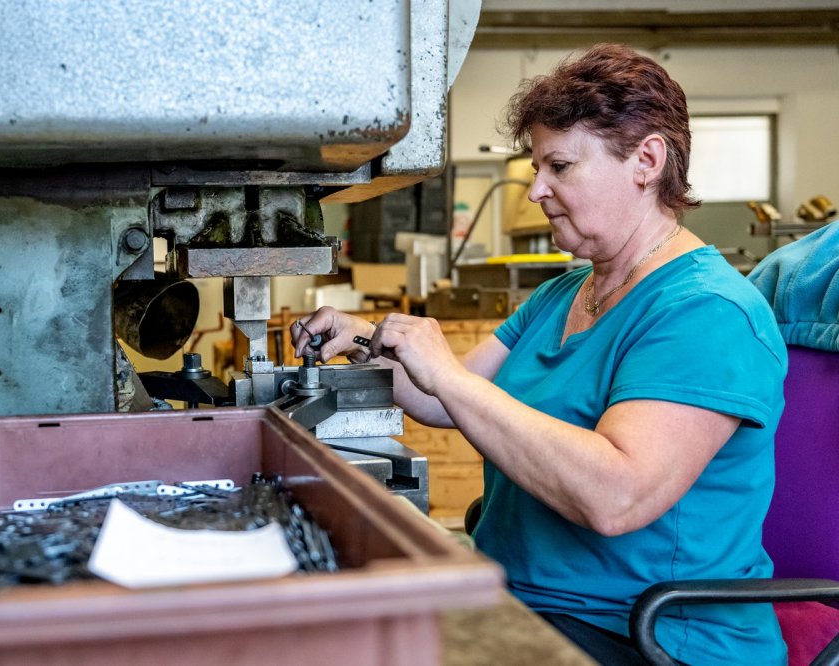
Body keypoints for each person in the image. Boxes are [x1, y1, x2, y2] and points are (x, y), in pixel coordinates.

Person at [292, 43, 787, 665]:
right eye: (536, 167)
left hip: (644, 636)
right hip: (525, 602)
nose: (535, 191)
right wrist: (366, 338)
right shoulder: (565, 293)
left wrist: (446, 373)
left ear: (647, 161)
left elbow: (617, 497)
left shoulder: (707, 313)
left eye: (560, 166)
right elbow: (443, 398)